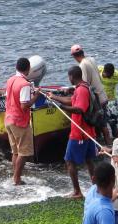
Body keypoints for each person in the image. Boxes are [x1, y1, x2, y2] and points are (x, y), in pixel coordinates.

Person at [47, 66, 96, 199]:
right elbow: (72, 100)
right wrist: (55, 97)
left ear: (72, 76)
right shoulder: (84, 86)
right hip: (89, 131)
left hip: (80, 132)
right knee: (89, 160)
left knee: (69, 161)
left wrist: (62, 107)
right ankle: (96, 188)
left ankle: (77, 192)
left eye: (69, 76)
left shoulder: (81, 90)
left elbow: (79, 109)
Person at [4, 57, 41, 185]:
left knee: (15, 151)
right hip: (19, 122)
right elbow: (24, 105)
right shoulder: (24, 84)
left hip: (8, 119)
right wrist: (36, 96)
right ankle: (17, 179)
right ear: (28, 68)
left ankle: (15, 176)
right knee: (24, 153)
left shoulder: (11, 80)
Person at [70, 44, 111, 145]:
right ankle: (106, 146)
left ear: (74, 56)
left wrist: (73, 91)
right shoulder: (91, 59)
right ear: (82, 52)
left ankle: (106, 149)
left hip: (96, 100)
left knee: (100, 126)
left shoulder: (82, 65)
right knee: (102, 125)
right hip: (103, 96)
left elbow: (83, 84)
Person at [99, 63, 118, 138]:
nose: (111, 76)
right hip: (100, 99)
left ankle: (115, 140)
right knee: (100, 122)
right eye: (109, 75)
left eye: (112, 74)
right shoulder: (99, 70)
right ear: (104, 71)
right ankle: (102, 139)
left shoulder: (117, 75)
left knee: (113, 123)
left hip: (111, 100)